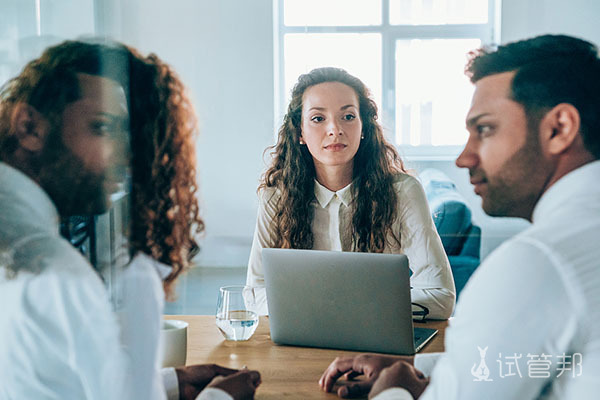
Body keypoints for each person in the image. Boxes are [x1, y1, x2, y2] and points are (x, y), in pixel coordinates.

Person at [319, 34, 600, 399]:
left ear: (559, 128)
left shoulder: (536, 263)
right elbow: (506, 364)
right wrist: (416, 367)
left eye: (484, 129)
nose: (463, 158)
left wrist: (392, 391)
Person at [0, 40, 259, 400]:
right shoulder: (57, 274)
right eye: (102, 128)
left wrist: (166, 384)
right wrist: (220, 398)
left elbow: (54, 380)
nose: (123, 159)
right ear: (30, 127)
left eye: (130, 140)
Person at [246, 67, 456, 320]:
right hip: (301, 339)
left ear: (364, 126)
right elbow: (255, 292)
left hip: (376, 345)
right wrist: (364, 306)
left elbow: (440, 295)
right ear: (300, 132)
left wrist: (337, 308)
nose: (335, 129)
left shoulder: (402, 192)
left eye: (347, 116)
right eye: (318, 119)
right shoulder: (276, 196)